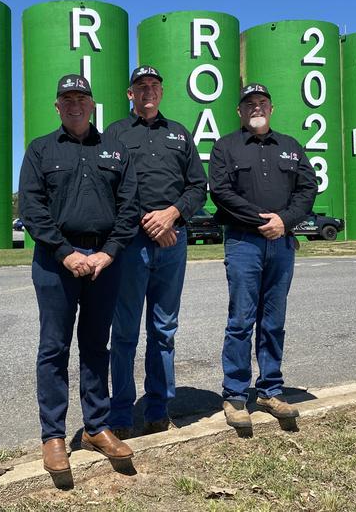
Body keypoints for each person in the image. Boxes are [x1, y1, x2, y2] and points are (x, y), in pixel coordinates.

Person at [19, 74, 140, 475]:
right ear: (57, 106)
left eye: (81, 98)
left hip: (105, 260)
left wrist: (109, 253)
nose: (74, 104)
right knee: (53, 347)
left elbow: (129, 207)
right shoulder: (40, 150)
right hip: (56, 260)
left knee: (95, 346)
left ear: (92, 104)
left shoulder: (116, 150)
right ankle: (53, 436)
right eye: (66, 99)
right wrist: (66, 253)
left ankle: (96, 427)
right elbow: (32, 209)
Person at [208, 83, 317, 431]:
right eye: (249, 104)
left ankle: (270, 389)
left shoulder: (290, 147)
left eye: (262, 103)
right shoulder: (226, 146)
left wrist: (285, 221)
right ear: (240, 111)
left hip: (281, 243)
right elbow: (221, 192)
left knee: (274, 319)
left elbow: (307, 188)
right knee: (240, 320)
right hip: (244, 243)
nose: (256, 108)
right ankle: (236, 395)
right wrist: (263, 221)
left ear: (271, 109)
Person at [106, 65, 207, 438]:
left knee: (163, 330)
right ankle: (119, 415)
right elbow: (111, 188)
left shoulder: (179, 134)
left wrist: (172, 215)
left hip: (173, 244)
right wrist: (148, 223)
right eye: (140, 86)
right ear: (129, 94)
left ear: (161, 92)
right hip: (132, 245)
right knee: (125, 333)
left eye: (154, 85)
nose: (147, 91)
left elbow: (198, 186)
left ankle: (158, 409)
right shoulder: (114, 134)